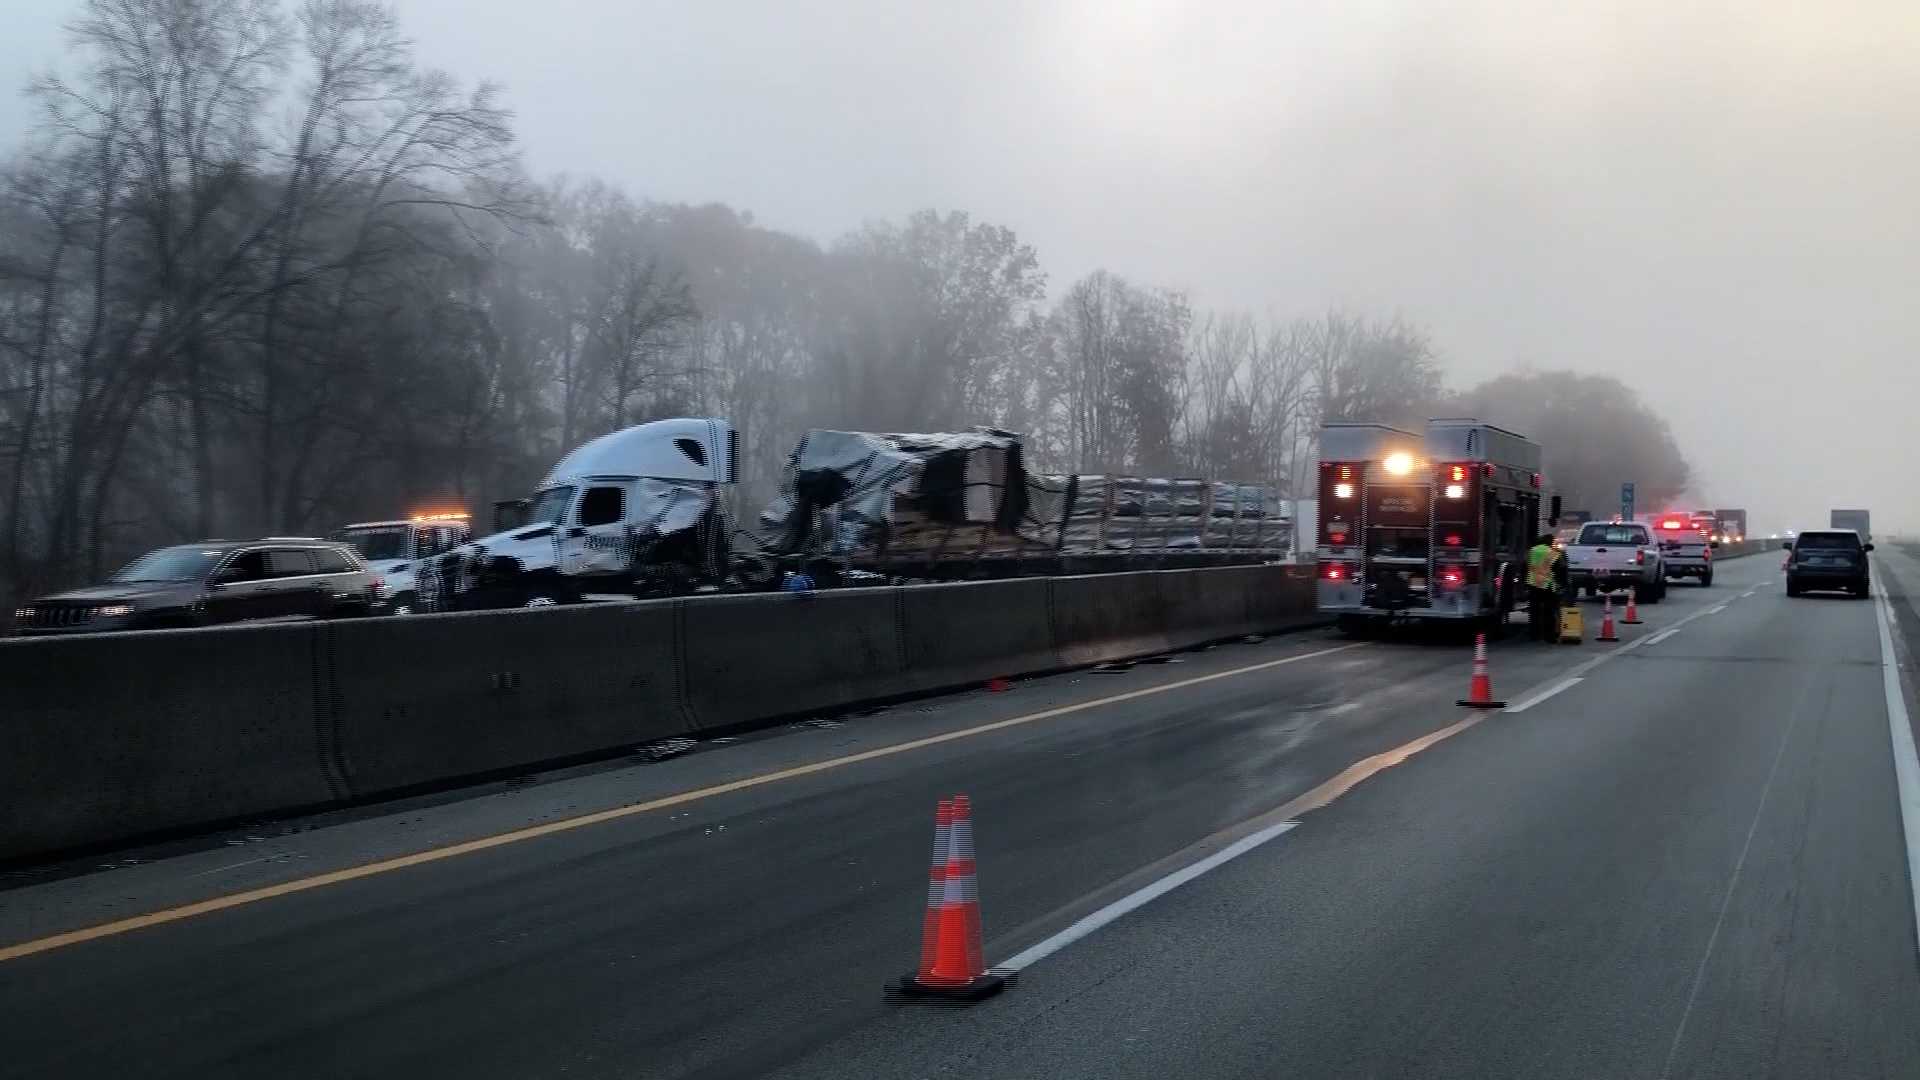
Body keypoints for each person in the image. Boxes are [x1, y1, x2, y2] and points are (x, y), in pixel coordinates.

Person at [1527, 532, 1563, 641]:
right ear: (1550, 542)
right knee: (1549, 611)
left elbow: (1527, 566)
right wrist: (1560, 584)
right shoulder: (1553, 553)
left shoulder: (1532, 551)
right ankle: (1549, 636)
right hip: (1548, 585)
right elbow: (1558, 570)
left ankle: (1534, 634)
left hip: (1533, 584)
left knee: (1535, 611)